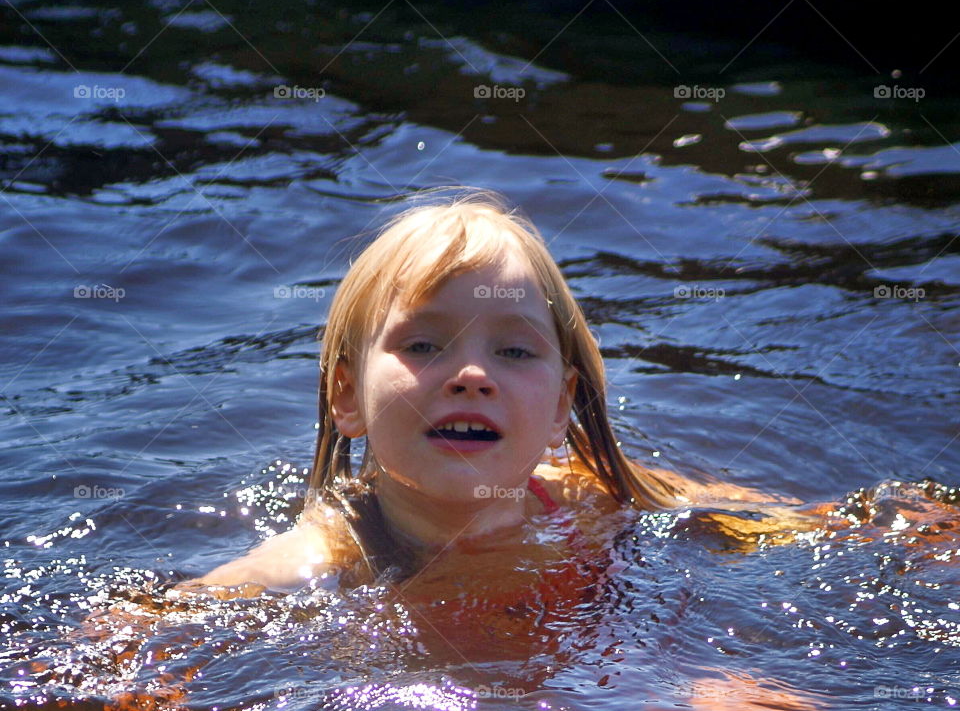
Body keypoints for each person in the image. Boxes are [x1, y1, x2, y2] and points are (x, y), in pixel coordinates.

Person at [176, 189, 822, 599]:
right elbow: (169, 621)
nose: (472, 375)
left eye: (514, 352)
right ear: (346, 396)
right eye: (424, 346)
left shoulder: (590, 494)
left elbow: (798, 526)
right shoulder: (329, 558)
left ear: (562, 406)